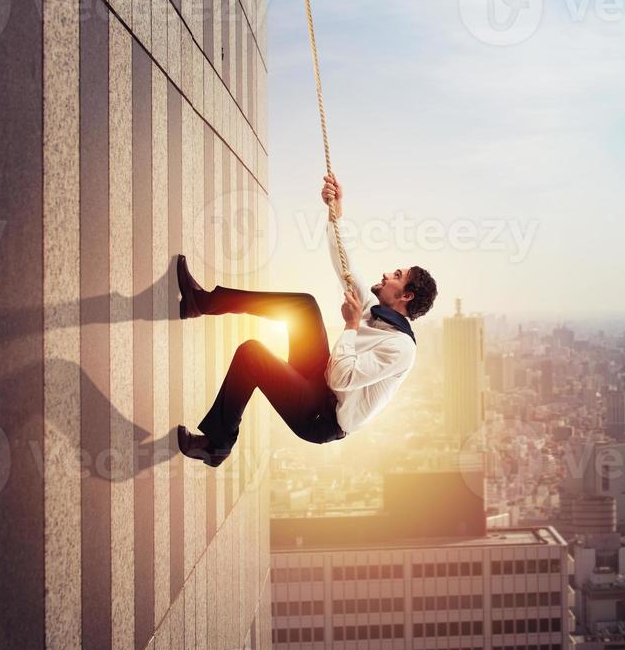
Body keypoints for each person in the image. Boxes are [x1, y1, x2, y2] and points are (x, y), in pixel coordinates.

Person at [174, 173, 438, 466]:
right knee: (304, 305)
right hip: (320, 379)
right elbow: (345, 264)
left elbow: (342, 377)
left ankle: (217, 446)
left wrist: (351, 327)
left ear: (407, 296)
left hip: (322, 416)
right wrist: (336, 214)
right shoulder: (374, 308)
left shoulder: (402, 349)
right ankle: (201, 303)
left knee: (252, 354)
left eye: (397, 276)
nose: (387, 274)